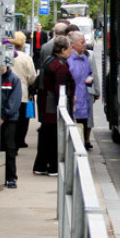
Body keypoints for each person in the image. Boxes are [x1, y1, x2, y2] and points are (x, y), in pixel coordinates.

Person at [33, 36, 75, 176]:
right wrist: (64, 105)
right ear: (62, 50)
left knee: (45, 136)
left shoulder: (47, 61)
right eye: (69, 48)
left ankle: (41, 165)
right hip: (53, 107)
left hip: (45, 104)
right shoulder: (60, 66)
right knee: (54, 137)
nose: (71, 51)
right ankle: (53, 167)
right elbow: (60, 89)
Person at [8, 31, 36, 150]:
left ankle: (10, 142)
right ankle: (20, 141)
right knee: (23, 120)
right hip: (23, 93)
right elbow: (32, 76)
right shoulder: (26, 58)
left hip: (7, 93)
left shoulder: (6, 55)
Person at [67, 31, 94, 150]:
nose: (84, 45)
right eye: (82, 42)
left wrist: (90, 79)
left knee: (82, 126)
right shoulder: (69, 61)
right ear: (72, 44)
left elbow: (89, 74)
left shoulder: (84, 58)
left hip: (84, 99)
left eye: (85, 42)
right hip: (74, 100)